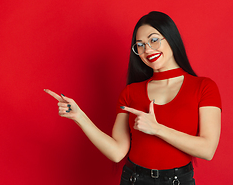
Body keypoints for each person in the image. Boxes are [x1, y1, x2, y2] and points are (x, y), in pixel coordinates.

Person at [44, 11, 221, 185]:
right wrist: (79, 117)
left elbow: (207, 150)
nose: (148, 49)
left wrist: (157, 129)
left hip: (178, 181)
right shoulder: (131, 92)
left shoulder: (203, 87)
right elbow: (117, 152)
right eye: (140, 45)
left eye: (153, 40)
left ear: (171, 38)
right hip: (134, 179)